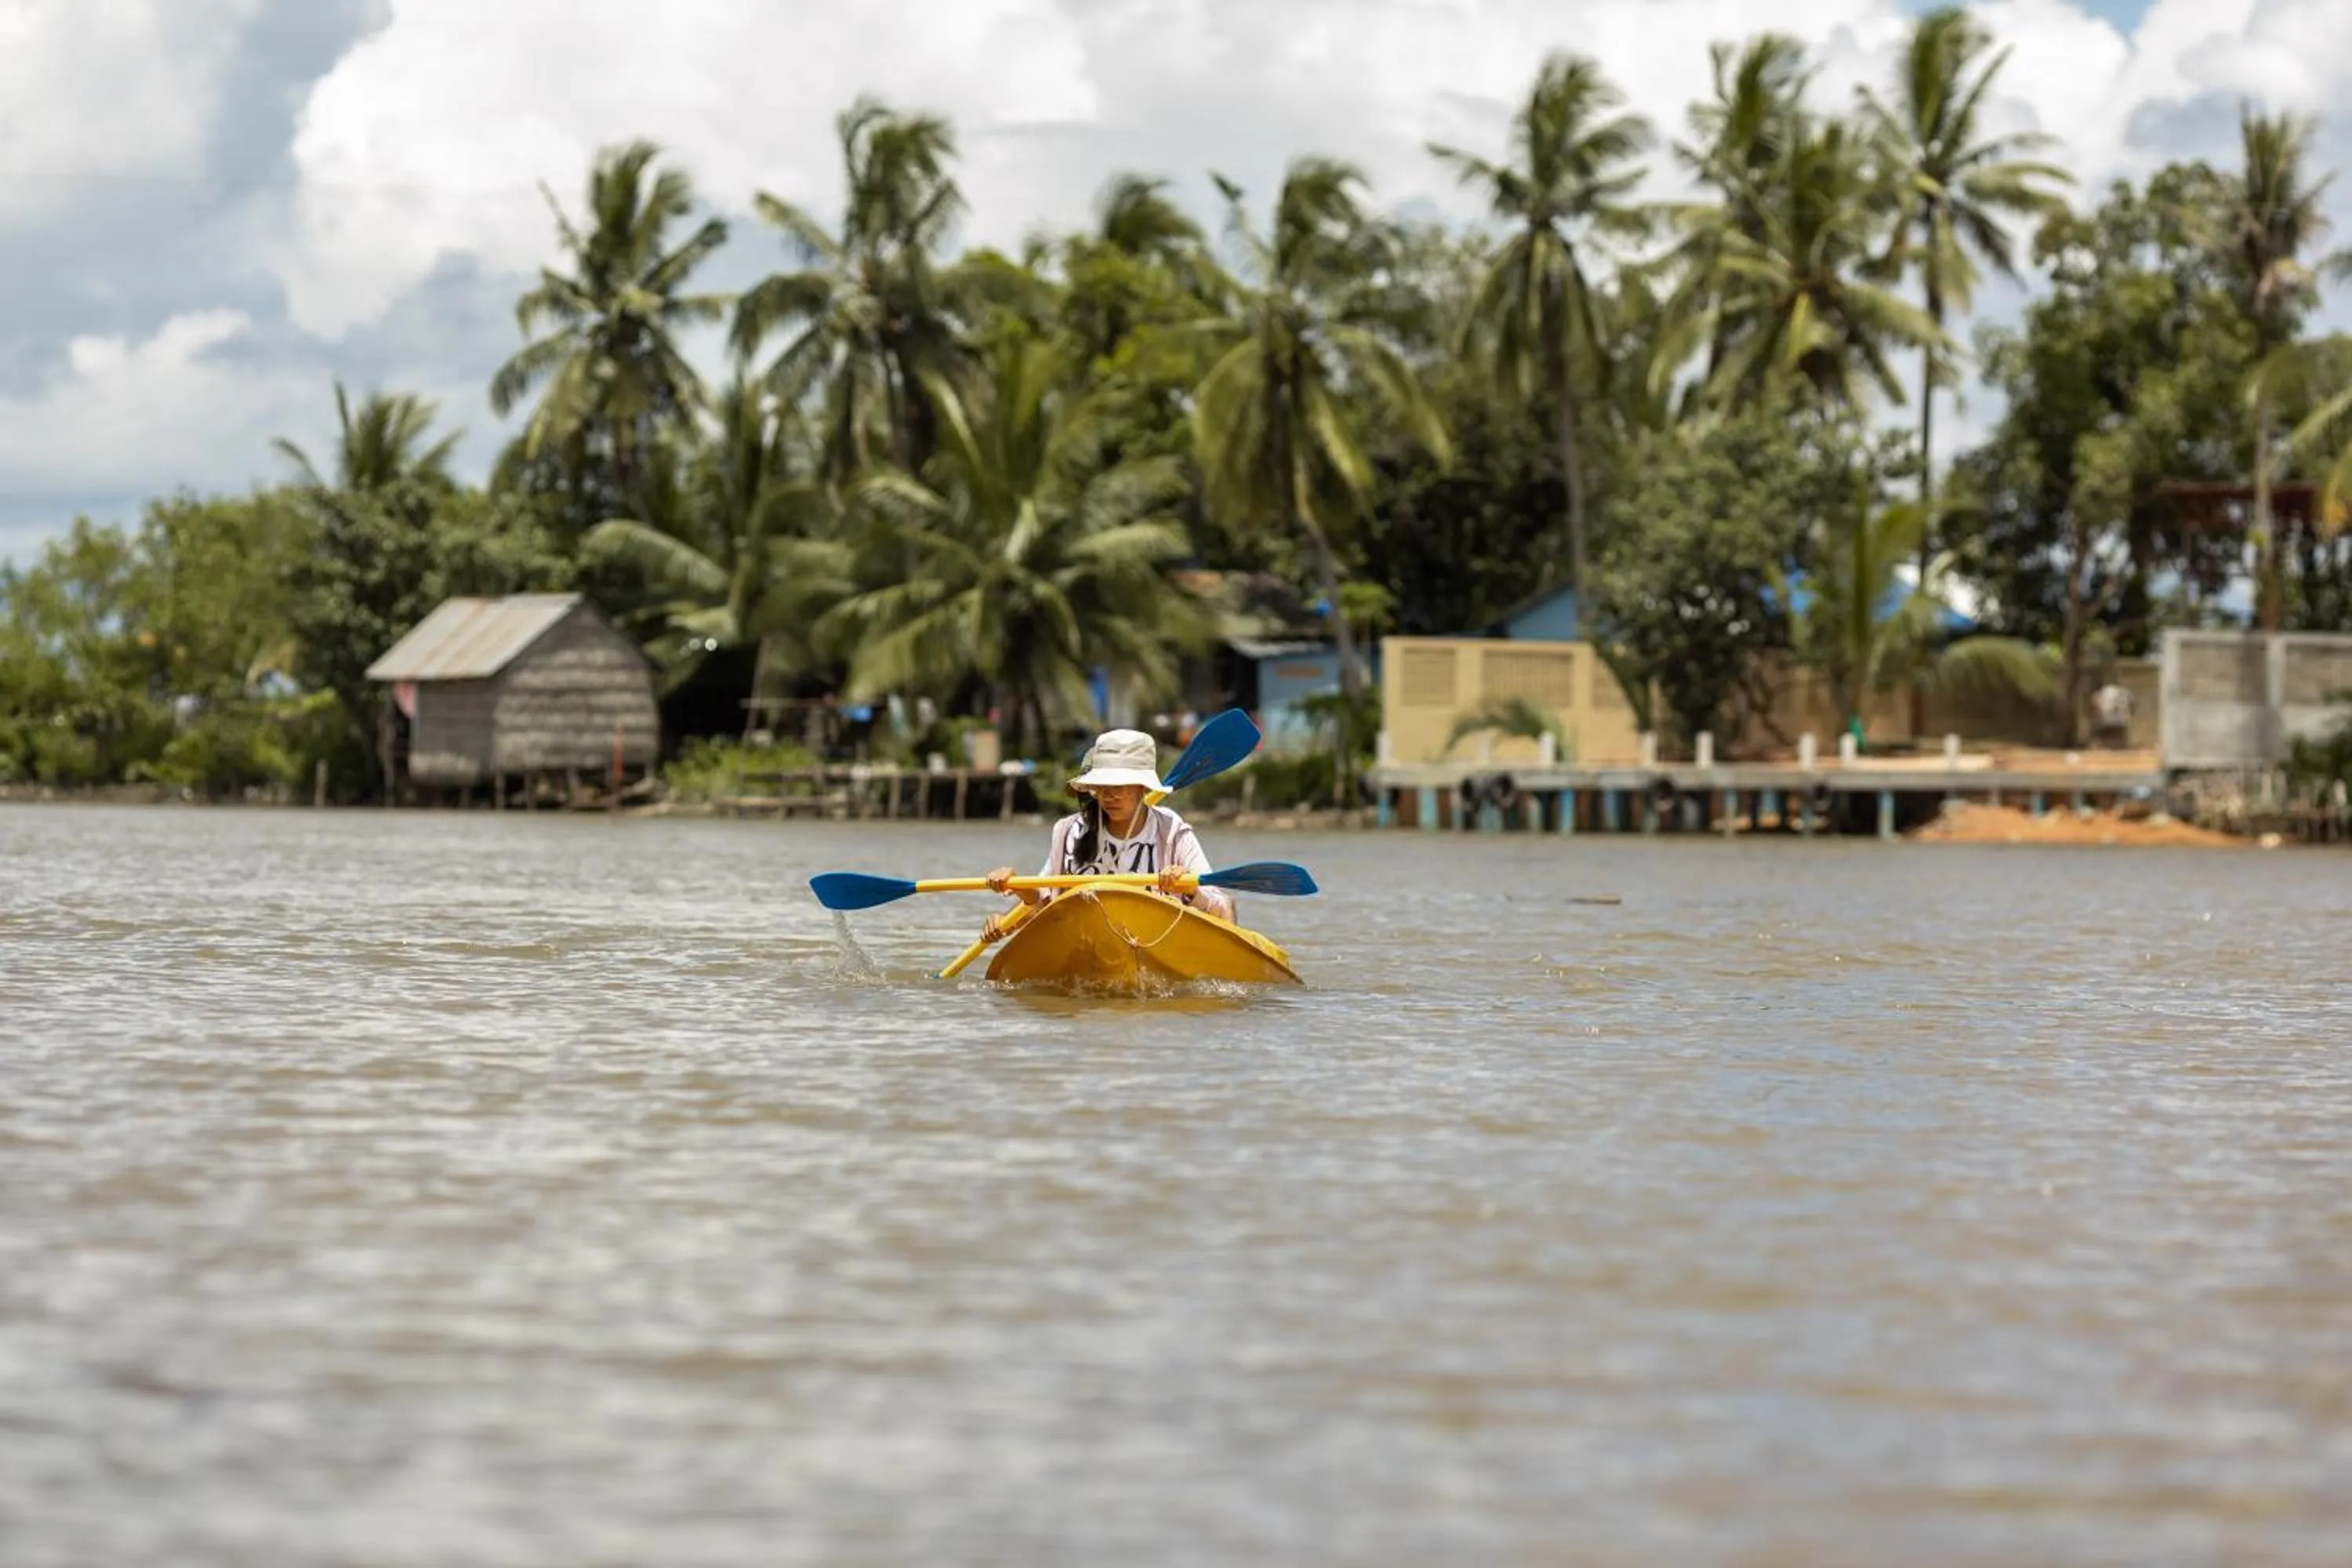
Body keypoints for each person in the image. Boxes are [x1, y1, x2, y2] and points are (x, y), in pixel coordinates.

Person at [979, 728, 1232, 943]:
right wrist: (1015, 894)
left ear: (1143, 787)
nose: (1110, 796)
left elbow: (1219, 908)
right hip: (1085, 942)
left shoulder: (1171, 831)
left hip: (1154, 940)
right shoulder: (1068, 831)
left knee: (1229, 905)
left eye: (1120, 786)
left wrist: (1189, 888)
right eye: (1103, 787)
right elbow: (1042, 903)